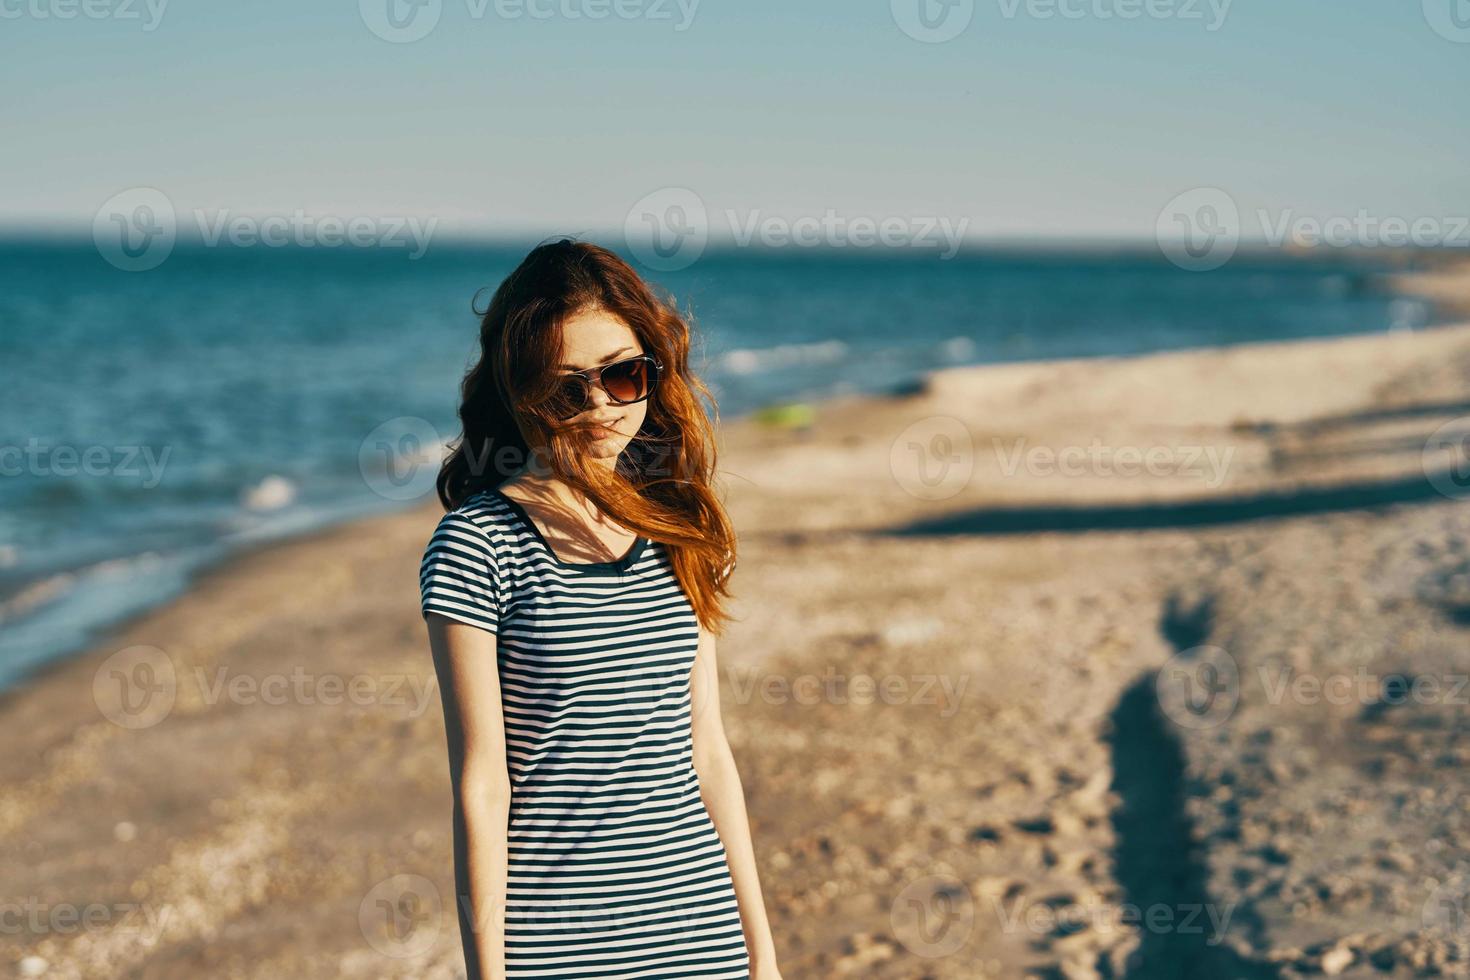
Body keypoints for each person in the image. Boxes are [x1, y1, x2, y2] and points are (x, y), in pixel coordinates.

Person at [419, 238, 782, 979]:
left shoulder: (677, 526)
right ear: (520, 390)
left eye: (622, 376)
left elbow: (708, 752)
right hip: (555, 953)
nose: (597, 407)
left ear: (653, 371)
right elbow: (483, 785)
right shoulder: (476, 545)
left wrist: (761, 953)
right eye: (565, 388)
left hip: (700, 939)